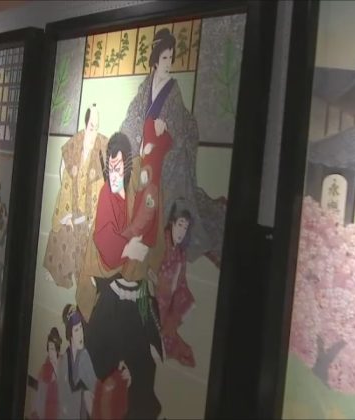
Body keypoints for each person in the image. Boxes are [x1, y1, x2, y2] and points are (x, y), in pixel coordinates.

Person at [119, 28, 225, 265]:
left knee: (155, 191)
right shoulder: (146, 85)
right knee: (133, 180)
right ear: (155, 59)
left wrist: (163, 128)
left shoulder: (173, 89)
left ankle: (150, 239)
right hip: (145, 149)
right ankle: (139, 234)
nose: (168, 63)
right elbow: (133, 115)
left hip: (163, 152)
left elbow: (177, 129)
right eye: (164, 57)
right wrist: (131, 142)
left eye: (171, 57)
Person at [85, 132, 162, 419]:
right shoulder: (106, 194)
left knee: (142, 361)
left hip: (136, 290)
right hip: (113, 289)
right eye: (111, 167)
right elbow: (103, 239)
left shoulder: (135, 191)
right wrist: (127, 247)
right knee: (101, 353)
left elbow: (149, 224)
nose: (115, 173)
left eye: (119, 167)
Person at [44, 105, 109, 320]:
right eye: (91, 125)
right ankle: (59, 274)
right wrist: (67, 212)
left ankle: (86, 298)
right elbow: (63, 173)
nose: (93, 130)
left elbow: (104, 181)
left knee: (86, 256)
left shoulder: (102, 145)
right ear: (85, 123)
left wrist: (92, 215)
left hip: (89, 211)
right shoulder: (75, 144)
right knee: (63, 235)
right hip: (71, 207)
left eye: (96, 126)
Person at [156, 200, 195, 367]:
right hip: (154, 298)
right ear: (172, 222)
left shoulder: (180, 254)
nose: (182, 231)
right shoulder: (161, 243)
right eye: (180, 224)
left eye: (185, 227)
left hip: (168, 301)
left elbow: (181, 282)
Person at [57, 304, 98, 419]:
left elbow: (95, 389)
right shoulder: (65, 359)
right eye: (76, 330)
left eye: (80, 328)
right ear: (70, 334)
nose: (80, 334)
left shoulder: (84, 357)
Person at [31, 327, 62, 420]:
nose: (51, 353)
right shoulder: (43, 370)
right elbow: (38, 399)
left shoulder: (64, 366)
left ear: (58, 350)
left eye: (53, 349)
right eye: (49, 349)